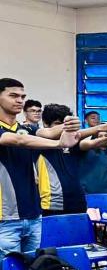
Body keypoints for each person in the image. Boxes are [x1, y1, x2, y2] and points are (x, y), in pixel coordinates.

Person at [0, 79, 80, 257]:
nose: (19, 100)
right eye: (13, 95)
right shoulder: (15, 134)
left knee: (33, 269)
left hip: (33, 215)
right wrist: (59, 144)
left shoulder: (25, 128)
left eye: (22, 97)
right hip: (5, 219)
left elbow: (49, 132)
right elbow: (18, 140)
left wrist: (70, 125)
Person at [36, 104, 107, 216]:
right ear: (45, 124)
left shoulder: (73, 143)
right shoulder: (39, 141)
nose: (64, 129)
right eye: (58, 124)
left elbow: (86, 142)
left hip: (78, 201)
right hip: (52, 203)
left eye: (66, 125)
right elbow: (47, 133)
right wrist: (99, 127)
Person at [79, 128, 107, 195]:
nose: (104, 138)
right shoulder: (86, 153)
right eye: (100, 136)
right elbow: (81, 144)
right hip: (86, 196)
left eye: (106, 136)